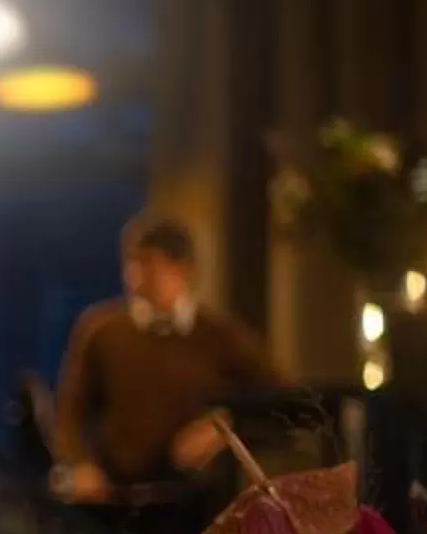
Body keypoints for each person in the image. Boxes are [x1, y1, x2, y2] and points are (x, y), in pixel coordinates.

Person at [51, 215, 284, 507]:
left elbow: (278, 400)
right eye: (131, 263)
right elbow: (69, 412)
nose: (135, 275)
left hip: (197, 500)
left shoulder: (219, 334)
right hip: (116, 499)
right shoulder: (101, 330)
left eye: (149, 263)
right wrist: (79, 464)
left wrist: (226, 427)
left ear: (183, 269)